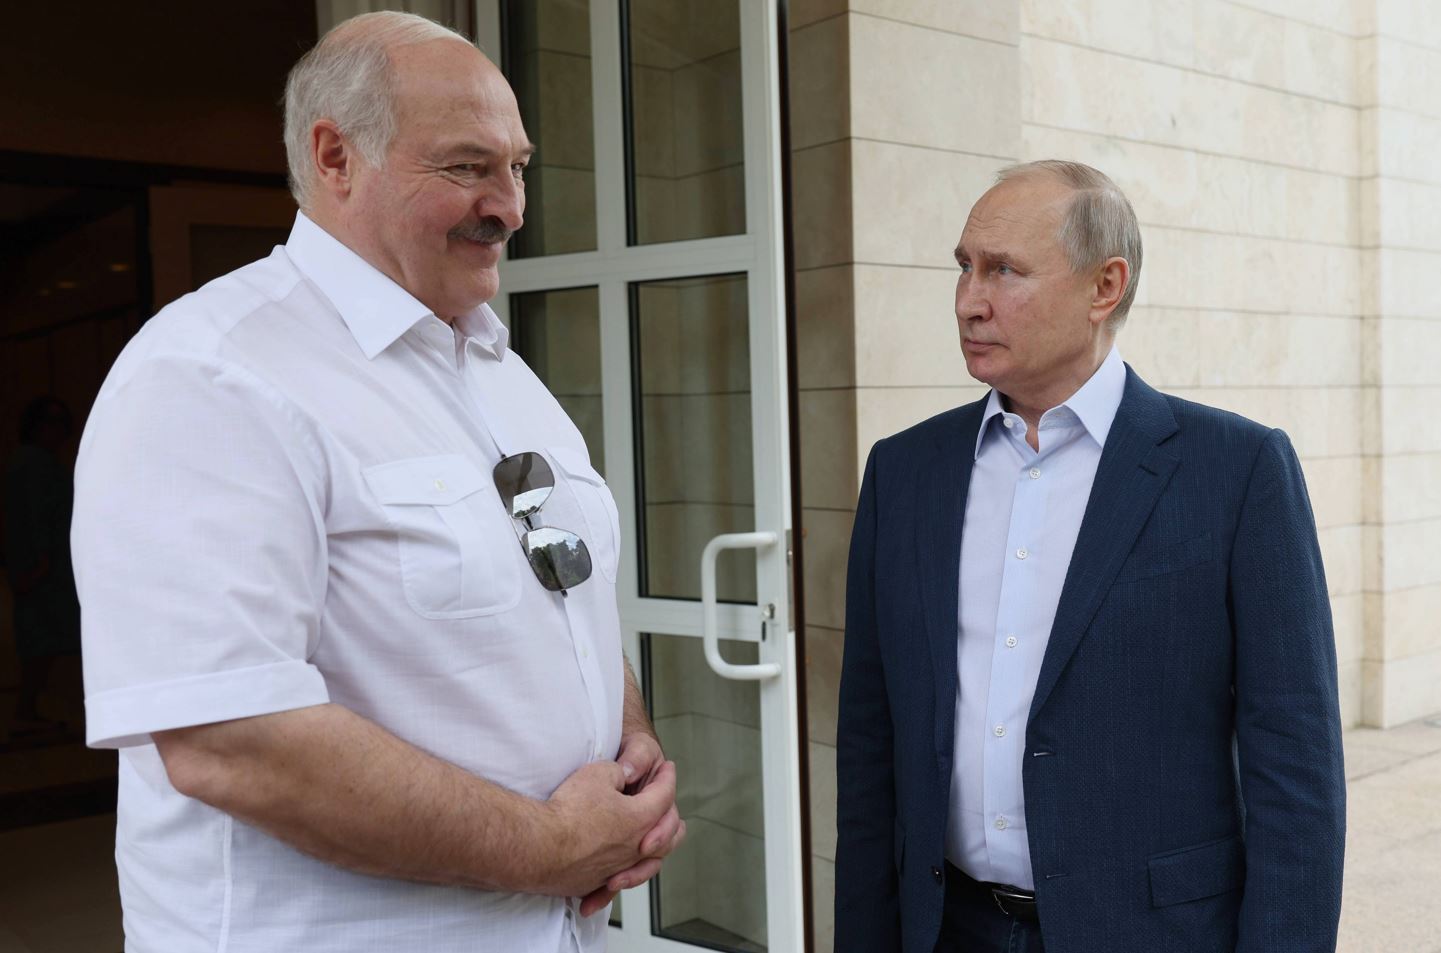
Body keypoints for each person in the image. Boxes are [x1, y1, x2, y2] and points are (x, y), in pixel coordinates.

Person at [71, 12, 683, 952]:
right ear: (335, 157)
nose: (511, 207)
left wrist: (625, 743)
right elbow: (231, 741)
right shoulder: (209, 373)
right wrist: (553, 845)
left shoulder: (500, 372)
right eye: (468, 166)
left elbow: (560, 594)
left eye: (518, 167)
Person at [834, 160, 1344, 953]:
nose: (968, 300)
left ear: (1104, 286)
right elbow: (869, 747)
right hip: (946, 930)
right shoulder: (903, 473)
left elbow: (1295, 771)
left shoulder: (1235, 471)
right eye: (964, 267)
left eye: (1003, 270)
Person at [4, 396, 80, 734]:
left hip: (46, 567)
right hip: (41, 569)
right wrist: (39, 563)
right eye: (50, 423)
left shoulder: (38, 462)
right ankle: (26, 710)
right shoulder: (33, 464)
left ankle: (28, 708)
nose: (57, 431)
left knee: (44, 642)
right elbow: (33, 516)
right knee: (40, 642)